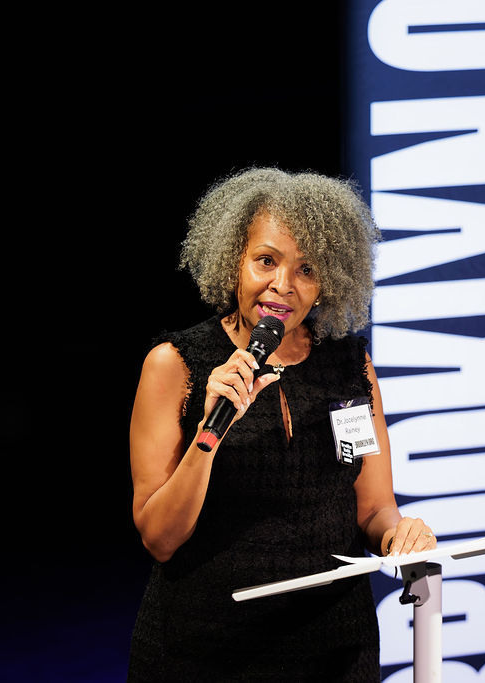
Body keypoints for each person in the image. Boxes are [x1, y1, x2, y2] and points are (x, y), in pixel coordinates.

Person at [127, 168, 437, 682]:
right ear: (234, 263)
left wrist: (399, 537)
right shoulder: (175, 365)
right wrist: (210, 431)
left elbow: (375, 508)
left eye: (307, 269)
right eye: (266, 261)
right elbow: (159, 539)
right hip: (208, 648)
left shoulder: (348, 366)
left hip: (335, 646)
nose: (283, 286)